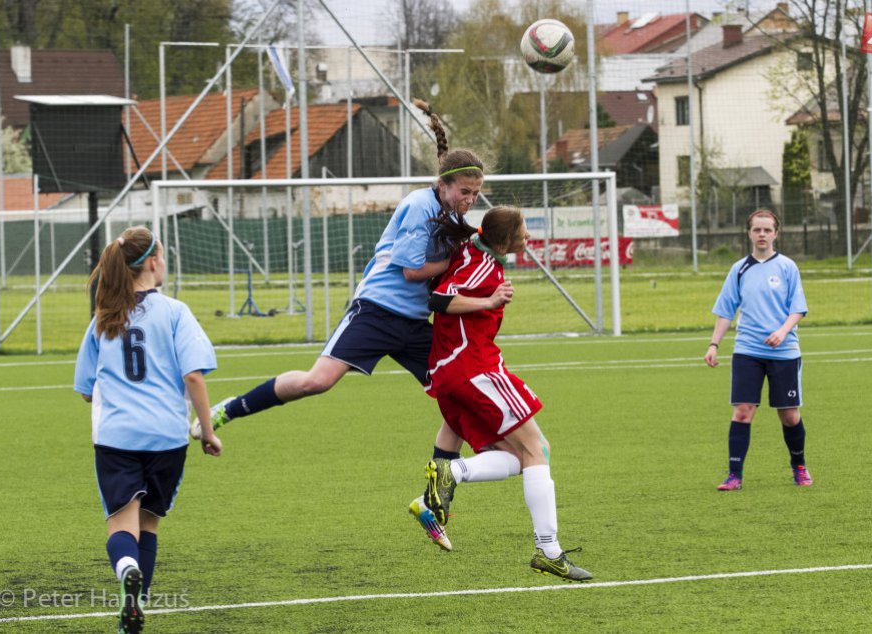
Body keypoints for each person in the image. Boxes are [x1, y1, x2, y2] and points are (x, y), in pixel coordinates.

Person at [189, 99, 478, 466]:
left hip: (415, 322)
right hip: (377, 310)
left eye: (475, 194)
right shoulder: (420, 205)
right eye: (463, 192)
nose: (469, 200)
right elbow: (412, 271)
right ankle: (229, 409)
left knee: (456, 390)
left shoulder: (451, 214)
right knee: (318, 381)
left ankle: (444, 488)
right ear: (442, 184)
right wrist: (456, 256)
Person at [408, 206, 592, 582]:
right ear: (506, 239)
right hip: (474, 368)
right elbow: (439, 299)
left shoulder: (474, 247)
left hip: (452, 371)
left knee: (516, 457)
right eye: (523, 231)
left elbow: (473, 238)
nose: (528, 237)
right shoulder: (483, 268)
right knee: (537, 450)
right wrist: (488, 302)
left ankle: (452, 472)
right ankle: (549, 550)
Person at [74, 227, 221, 634]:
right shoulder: (175, 312)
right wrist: (207, 431)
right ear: (153, 262)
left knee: (122, 527)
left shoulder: (102, 320)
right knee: (150, 525)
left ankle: (126, 573)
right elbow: (193, 375)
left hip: (117, 437)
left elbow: (87, 392)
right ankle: (134, 610)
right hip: (168, 438)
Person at [704, 209, 811, 491]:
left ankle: (799, 465)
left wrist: (781, 331)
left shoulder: (788, 267)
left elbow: (798, 308)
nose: (762, 235)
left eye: (767, 230)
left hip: (784, 351)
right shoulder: (739, 269)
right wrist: (714, 344)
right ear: (749, 233)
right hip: (748, 351)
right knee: (742, 411)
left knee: (789, 415)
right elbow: (726, 310)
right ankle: (734, 475)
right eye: (757, 230)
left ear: (776, 233)